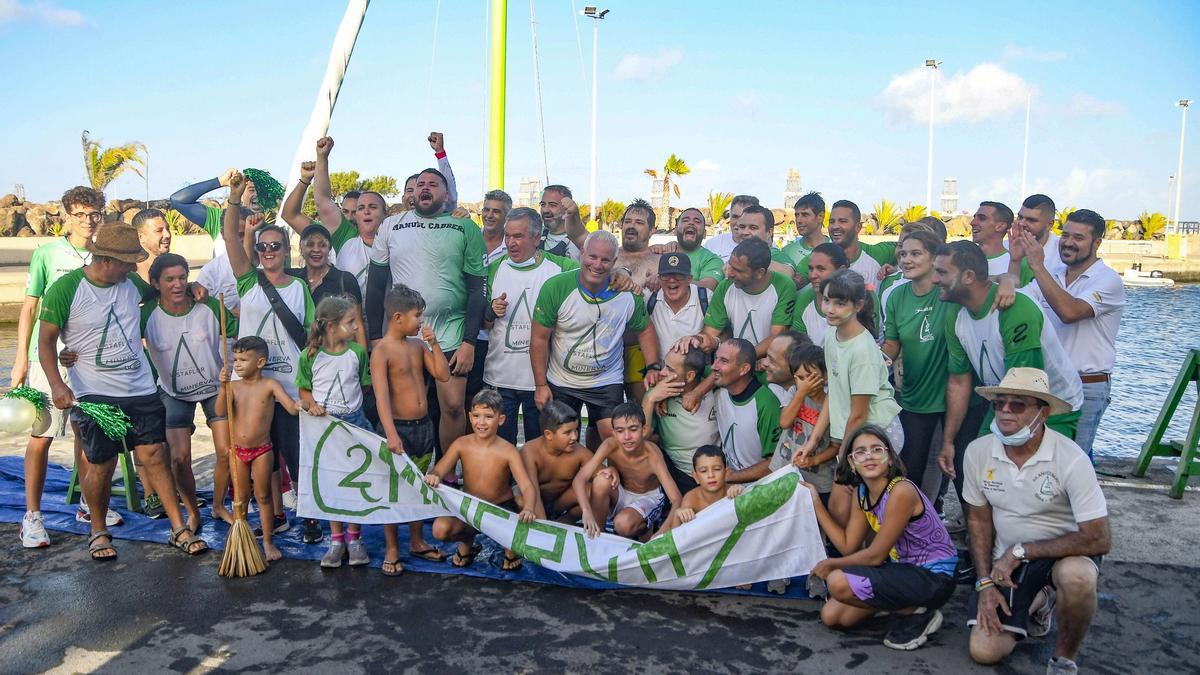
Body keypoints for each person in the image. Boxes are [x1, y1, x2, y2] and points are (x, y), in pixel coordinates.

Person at [38, 221, 208, 560]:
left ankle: (178, 528)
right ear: (107, 261)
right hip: (94, 393)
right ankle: (99, 532)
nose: (134, 267)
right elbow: (46, 342)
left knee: (154, 455)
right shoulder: (66, 289)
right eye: (129, 261)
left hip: (141, 388)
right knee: (100, 464)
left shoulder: (130, 283)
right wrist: (57, 382)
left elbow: (163, 291)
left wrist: (194, 288)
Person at [963, 368, 1111, 674]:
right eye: (999, 403)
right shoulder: (977, 452)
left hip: (1063, 554)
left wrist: (1021, 551)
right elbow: (978, 521)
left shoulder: (1070, 458)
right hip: (1006, 563)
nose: (1005, 411)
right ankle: (1041, 602)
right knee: (983, 651)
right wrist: (984, 581)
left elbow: (1099, 538)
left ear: (1042, 413)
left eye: (1017, 404)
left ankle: (1063, 660)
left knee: (1078, 577)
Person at [934, 241, 1085, 497]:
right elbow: (959, 383)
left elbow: (1027, 389)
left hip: (1052, 405)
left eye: (942, 272)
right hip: (1006, 398)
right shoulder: (955, 314)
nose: (935, 279)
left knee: (1038, 487)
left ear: (968, 276)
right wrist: (948, 441)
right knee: (984, 471)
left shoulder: (1016, 310)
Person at [366, 166, 486, 457]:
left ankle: (446, 474)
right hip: (404, 336)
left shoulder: (466, 227)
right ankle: (409, 469)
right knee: (404, 406)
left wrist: (470, 341)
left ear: (446, 195)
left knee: (455, 407)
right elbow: (375, 285)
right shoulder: (392, 225)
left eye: (433, 184)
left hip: (451, 332)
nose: (425, 188)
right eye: (420, 184)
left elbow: (476, 289)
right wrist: (373, 337)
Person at [224, 172, 317, 541]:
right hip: (249, 390)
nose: (269, 252)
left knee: (295, 457)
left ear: (286, 250)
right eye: (263, 247)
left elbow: (312, 342)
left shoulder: (298, 287)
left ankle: (308, 517)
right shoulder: (248, 281)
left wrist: (308, 386)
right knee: (263, 458)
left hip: (290, 389)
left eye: (276, 247)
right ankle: (273, 515)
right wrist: (233, 201)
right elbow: (231, 236)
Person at [806, 424, 957, 652]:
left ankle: (919, 612)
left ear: (889, 457)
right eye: (861, 452)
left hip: (935, 577)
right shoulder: (862, 492)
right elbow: (848, 546)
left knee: (837, 582)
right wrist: (816, 503)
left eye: (876, 449)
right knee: (833, 616)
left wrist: (831, 564)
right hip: (902, 572)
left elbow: (875, 556)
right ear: (851, 462)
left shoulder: (900, 491)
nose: (869, 456)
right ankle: (898, 602)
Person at [15, 186, 102, 548]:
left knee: (86, 435)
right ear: (67, 215)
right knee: (42, 435)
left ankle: (87, 504)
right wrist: (22, 356)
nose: (87, 221)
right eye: (79, 214)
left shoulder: (103, 254)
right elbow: (30, 307)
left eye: (93, 214)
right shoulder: (48, 254)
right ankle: (32, 516)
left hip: (86, 361)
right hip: (46, 358)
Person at [1012, 209, 1125, 459]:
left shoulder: (1107, 280)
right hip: (1048, 387)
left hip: (1088, 386)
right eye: (1065, 235)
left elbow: (1069, 311)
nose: (1068, 242)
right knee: (1037, 460)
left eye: (1079, 237)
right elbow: (1016, 302)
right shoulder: (1053, 275)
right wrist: (1015, 260)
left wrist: (1037, 266)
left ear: (1097, 243)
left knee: (1072, 464)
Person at [530, 231, 660, 446]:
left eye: (605, 260)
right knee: (560, 443)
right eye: (592, 257)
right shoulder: (556, 287)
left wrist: (654, 366)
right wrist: (540, 385)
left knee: (614, 442)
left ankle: (601, 478)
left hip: (606, 381)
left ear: (614, 262)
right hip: (562, 380)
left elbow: (645, 330)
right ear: (582, 254)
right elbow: (538, 339)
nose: (598, 264)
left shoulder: (628, 294)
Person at [141, 253, 237, 528]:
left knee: (227, 451)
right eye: (169, 279)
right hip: (172, 392)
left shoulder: (206, 304)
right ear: (156, 283)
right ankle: (193, 511)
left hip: (213, 387)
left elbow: (238, 330)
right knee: (180, 458)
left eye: (182, 277)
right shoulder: (147, 312)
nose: (177, 284)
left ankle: (218, 505)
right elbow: (121, 337)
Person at [372, 284, 451, 576]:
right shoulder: (382, 351)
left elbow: (443, 374)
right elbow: (381, 396)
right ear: (397, 318)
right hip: (398, 428)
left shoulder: (418, 346)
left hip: (423, 426)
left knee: (419, 487)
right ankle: (393, 548)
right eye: (417, 316)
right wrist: (390, 433)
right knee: (392, 490)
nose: (421, 321)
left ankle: (417, 540)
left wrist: (434, 343)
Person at [484, 207, 578, 444]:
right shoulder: (494, 268)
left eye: (518, 236)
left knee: (540, 448)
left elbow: (595, 270)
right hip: (499, 377)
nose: (511, 243)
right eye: (507, 236)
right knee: (500, 447)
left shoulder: (561, 268)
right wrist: (492, 309)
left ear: (536, 238)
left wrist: (623, 273)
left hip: (541, 381)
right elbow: (484, 322)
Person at [819, 270, 904, 526]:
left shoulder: (863, 350)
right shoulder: (830, 336)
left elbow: (859, 412)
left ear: (859, 305)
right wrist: (813, 441)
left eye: (839, 303)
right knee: (845, 509)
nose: (830, 309)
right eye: (826, 300)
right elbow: (833, 392)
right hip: (852, 435)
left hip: (875, 435)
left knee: (864, 513)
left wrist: (846, 457)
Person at [424, 390, 540, 571]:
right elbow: (440, 468)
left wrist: (529, 508)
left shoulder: (508, 450)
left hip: (500, 508)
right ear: (470, 417)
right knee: (440, 528)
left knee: (523, 504)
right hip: (471, 508)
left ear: (501, 419)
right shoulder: (461, 444)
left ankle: (511, 548)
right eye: (477, 416)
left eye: (488, 416)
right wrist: (435, 475)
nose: (481, 422)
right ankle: (467, 542)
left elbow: (526, 485)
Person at [297, 296, 373, 568]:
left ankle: (354, 539)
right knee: (331, 483)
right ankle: (336, 539)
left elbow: (363, 384)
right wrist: (313, 405)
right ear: (330, 327)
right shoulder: (310, 356)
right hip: (324, 427)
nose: (355, 327)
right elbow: (304, 389)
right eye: (350, 322)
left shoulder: (357, 353)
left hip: (354, 424)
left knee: (354, 480)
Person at [218, 336, 304, 562]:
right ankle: (242, 536)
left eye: (243, 359)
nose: (237, 364)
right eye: (235, 359)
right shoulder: (233, 386)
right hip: (239, 451)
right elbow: (221, 411)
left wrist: (303, 404)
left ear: (260, 362)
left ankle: (267, 540)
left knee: (264, 496)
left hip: (262, 450)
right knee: (241, 497)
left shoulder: (270, 385)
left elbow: (291, 408)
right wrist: (222, 387)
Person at [882, 230, 951, 501]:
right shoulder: (896, 296)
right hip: (912, 397)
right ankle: (910, 533)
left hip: (953, 399)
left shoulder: (949, 293)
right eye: (902, 254)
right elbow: (892, 344)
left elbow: (986, 282)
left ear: (934, 257)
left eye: (915, 254)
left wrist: (1007, 279)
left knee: (956, 467)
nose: (906, 260)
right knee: (909, 470)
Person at [572, 403, 682, 539]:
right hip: (621, 492)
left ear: (644, 429)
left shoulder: (652, 454)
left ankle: (646, 527)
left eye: (633, 429)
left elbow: (676, 498)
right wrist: (586, 510)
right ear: (613, 432)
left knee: (622, 524)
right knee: (601, 480)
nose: (627, 436)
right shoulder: (610, 445)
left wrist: (663, 531)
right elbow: (580, 478)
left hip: (647, 497)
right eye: (620, 431)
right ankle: (597, 534)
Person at [686, 237, 796, 357]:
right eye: (730, 266)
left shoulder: (784, 286)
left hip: (766, 363)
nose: (730, 273)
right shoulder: (726, 286)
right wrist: (696, 339)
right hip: (734, 362)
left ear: (760, 272)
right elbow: (710, 333)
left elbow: (776, 336)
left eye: (738, 270)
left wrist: (741, 360)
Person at [172, 168, 258, 313]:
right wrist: (220, 181)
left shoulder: (273, 233)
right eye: (250, 189)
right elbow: (178, 201)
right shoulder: (219, 218)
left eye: (260, 190)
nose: (256, 195)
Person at [642, 346, 720, 493]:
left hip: (713, 471)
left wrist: (698, 392)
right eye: (664, 365)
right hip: (675, 473)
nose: (663, 372)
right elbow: (641, 437)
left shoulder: (715, 385)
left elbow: (725, 368)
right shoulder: (658, 392)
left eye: (670, 369)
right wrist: (650, 399)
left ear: (690, 376)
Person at [711, 338, 783, 483]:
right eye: (715, 358)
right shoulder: (720, 387)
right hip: (728, 485)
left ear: (744, 369)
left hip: (758, 488)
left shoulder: (766, 403)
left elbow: (776, 462)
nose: (714, 366)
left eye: (723, 361)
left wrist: (730, 477)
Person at [469, 189, 515, 403]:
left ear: (507, 216)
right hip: (471, 333)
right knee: (470, 397)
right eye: (486, 210)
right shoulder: (468, 240)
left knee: (496, 401)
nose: (489, 215)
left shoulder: (514, 248)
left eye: (496, 211)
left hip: (500, 335)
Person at [615, 200, 662, 404]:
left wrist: (661, 278)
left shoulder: (659, 261)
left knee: (640, 407)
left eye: (639, 222)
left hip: (639, 347)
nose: (631, 226)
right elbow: (579, 234)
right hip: (606, 348)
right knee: (602, 416)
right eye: (628, 221)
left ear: (651, 230)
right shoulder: (607, 256)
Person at [519, 401, 593, 522]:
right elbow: (533, 491)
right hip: (532, 503)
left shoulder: (579, 452)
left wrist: (610, 472)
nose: (574, 437)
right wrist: (544, 528)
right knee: (519, 499)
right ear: (548, 434)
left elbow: (603, 478)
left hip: (559, 505)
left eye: (576, 430)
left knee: (592, 491)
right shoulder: (529, 451)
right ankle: (544, 526)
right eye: (567, 432)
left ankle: (562, 524)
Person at [781, 342, 836, 501]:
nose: (805, 383)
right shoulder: (794, 393)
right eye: (799, 378)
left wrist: (813, 460)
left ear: (825, 375)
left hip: (819, 480)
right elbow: (784, 422)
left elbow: (835, 447)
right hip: (787, 470)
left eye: (810, 376)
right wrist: (800, 394)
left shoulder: (831, 403)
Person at [656, 445, 743, 535]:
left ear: (727, 473)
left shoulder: (733, 491)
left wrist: (741, 493)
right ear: (696, 477)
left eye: (716, 469)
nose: (710, 475)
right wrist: (678, 515)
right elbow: (675, 536)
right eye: (703, 471)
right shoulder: (692, 498)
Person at [644, 253, 709, 362]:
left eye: (678, 275)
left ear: (689, 279)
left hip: (697, 375)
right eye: (666, 275)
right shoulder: (648, 297)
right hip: (659, 373)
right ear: (658, 278)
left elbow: (721, 335)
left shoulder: (706, 298)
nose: (672, 280)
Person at [827, 200, 897, 290]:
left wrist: (898, 271)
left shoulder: (877, 254)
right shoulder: (820, 257)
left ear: (858, 227)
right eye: (831, 222)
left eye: (842, 221)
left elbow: (911, 246)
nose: (835, 226)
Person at [790, 242, 849, 346]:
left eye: (821, 269)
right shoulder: (804, 300)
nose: (812, 275)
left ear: (841, 271)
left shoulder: (862, 298)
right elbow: (797, 348)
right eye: (811, 269)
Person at [970, 200, 1032, 283]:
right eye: (974, 217)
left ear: (1000, 226)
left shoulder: (1021, 264)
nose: (972, 222)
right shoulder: (961, 259)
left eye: (982, 218)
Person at [731, 204, 797, 278]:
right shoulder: (735, 254)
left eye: (753, 228)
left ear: (769, 232)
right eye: (742, 227)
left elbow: (788, 273)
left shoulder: (776, 256)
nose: (745, 232)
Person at [781, 191, 831, 284]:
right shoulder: (787, 252)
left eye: (805, 215)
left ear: (820, 216)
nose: (799, 220)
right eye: (797, 215)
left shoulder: (836, 249)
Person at [1012, 193, 1065, 277]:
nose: (1022, 223)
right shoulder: (1005, 246)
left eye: (1031, 220)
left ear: (1049, 225)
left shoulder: (1063, 253)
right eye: (1020, 217)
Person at [674, 207, 724, 289]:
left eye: (697, 221)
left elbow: (707, 287)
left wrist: (666, 281)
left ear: (704, 234)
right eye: (685, 220)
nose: (691, 223)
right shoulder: (662, 252)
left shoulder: (712, 260)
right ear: (675, 230)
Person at [703, 194, 759, 262]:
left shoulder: (768, 246)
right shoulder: (711, 245)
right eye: (735, 217)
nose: (739, 223)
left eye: (745, 217)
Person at [538, 184, 588, 259]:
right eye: (543, 204)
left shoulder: (575, 244)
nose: (545, 210)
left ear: (567, 208)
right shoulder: (536, 236)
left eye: (552, 205)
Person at [133, 208, 172, 283]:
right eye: (159, 231)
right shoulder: (129, 275)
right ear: (140, 237)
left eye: (168, 229)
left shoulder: (175, 267)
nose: (167, 235)